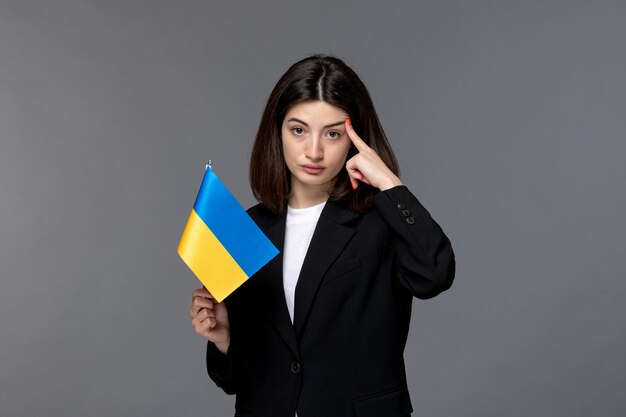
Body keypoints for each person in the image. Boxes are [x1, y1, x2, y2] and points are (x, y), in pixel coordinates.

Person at [189, 55, 455, 417]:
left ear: (354, 138)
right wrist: (225, 339)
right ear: (277, 131)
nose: (314, 151)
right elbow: (240, 380)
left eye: (333, 134)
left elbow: (434, 273)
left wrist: (390, 185)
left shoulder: (380, 220)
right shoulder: (247, 227)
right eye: (298, 130)